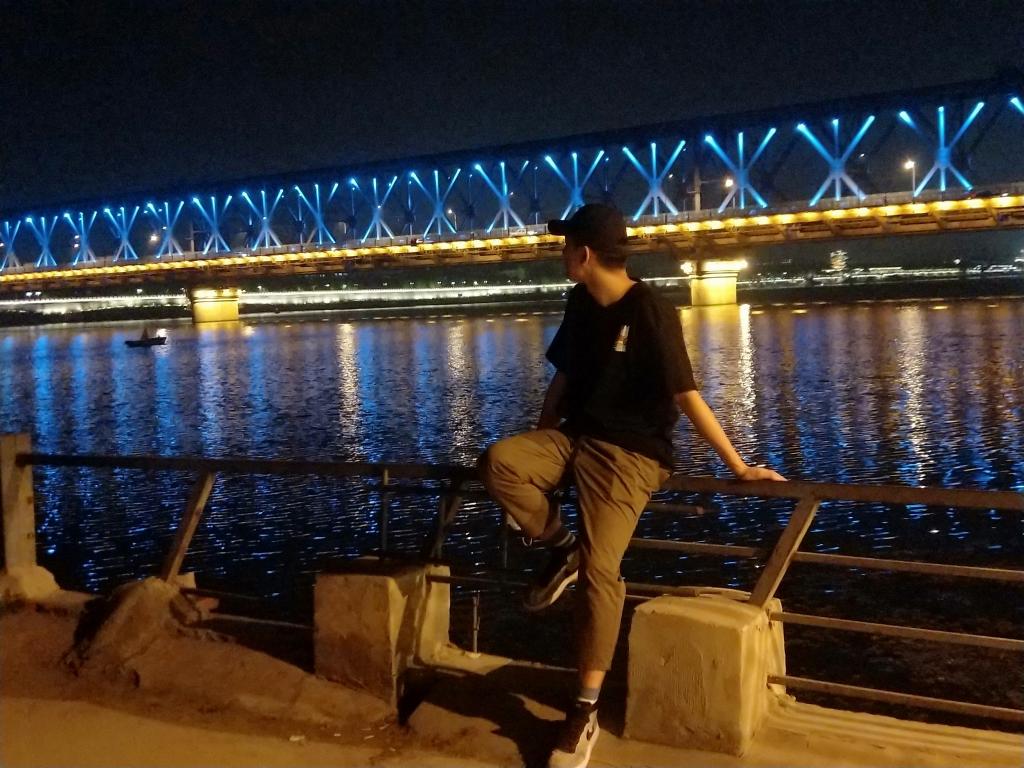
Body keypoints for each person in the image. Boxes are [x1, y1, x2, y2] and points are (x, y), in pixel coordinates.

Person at [477, 203, 785, 768]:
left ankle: (583, 710)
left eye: (566, 245)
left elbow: (686, 395)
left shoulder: (650, 311)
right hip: (574, 438)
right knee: (500, 462)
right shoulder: (579, 301)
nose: (561, 254)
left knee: (602, 572)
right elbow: (563, 378)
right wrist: (542, 437)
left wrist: (739, 467)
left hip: (630, 455)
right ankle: (563, 547)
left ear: (585, 253)